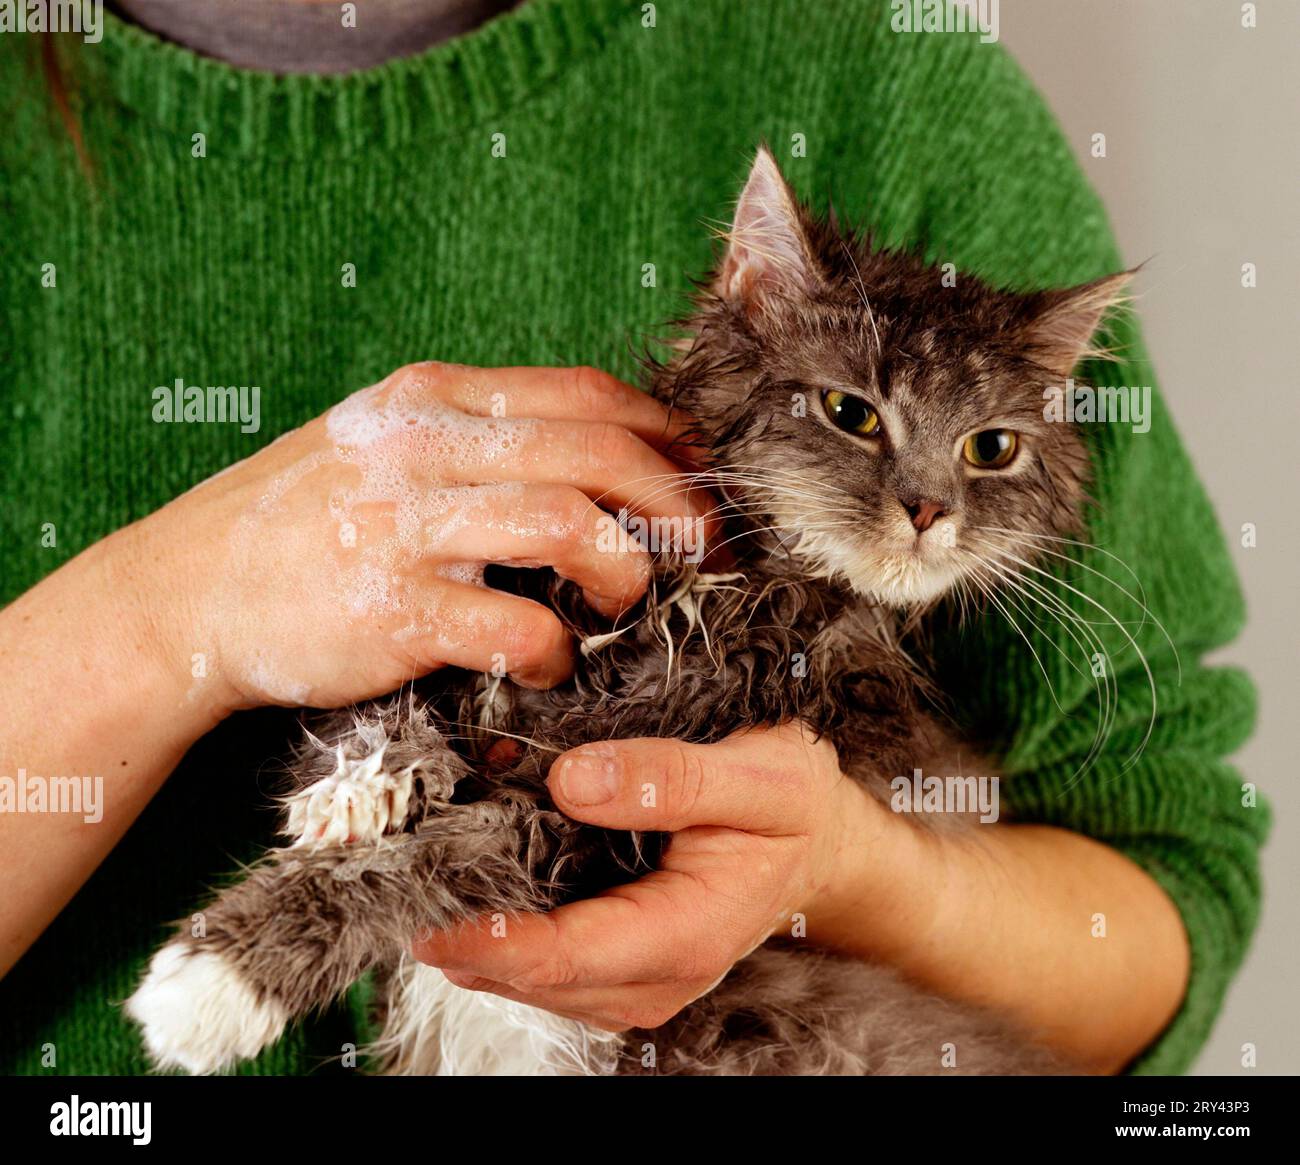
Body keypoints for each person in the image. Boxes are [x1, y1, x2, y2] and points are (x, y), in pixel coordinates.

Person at [0, 0, 1265, 1075]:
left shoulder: (879, 62)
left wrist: (860, 874)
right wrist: (154, 622)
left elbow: (1164, 888)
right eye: (858, 420)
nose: (926, 503)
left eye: (986, 452)